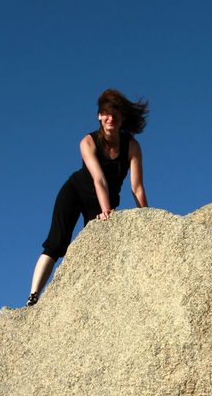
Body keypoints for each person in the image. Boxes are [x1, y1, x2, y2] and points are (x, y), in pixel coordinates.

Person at [26, 89, 149, 306]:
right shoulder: (88, 142)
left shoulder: (132, 146)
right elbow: (99, 179)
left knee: (100, 245)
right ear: (99, 116)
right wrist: (106, 211)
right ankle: (33, 296)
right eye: (106, 113)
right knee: (56, 243)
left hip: (104, 198)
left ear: (122, 118)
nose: (110, 118)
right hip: (76, 191)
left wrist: (147, 219)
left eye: (115, 114)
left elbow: (137, 187)